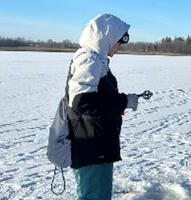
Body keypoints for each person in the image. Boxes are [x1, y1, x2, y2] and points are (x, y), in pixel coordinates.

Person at [66, 13, 140, 200]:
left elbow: (96, 99)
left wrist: (122, 102)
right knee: (93, 196)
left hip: (98, 143)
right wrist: (124, 101)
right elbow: (82, 103)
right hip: (91, 145)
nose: (120, 47)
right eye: (119, 41)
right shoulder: (89, 59)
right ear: (107, 37)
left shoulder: (98, 60)